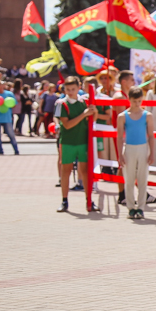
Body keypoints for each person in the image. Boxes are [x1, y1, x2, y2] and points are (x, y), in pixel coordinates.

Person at [54, 76, 97, 213]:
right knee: (65, 170)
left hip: (83, 141)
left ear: (79, 88)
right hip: (68, 142)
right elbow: (66, 124)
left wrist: (93, 112)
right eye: (68, 89)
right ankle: (64, 200)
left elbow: (92, 119)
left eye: (73, 89)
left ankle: (88, 199)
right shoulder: (62, 103)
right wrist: (84, 115)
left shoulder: (84, 101)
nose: (70, 92)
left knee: (84, 171)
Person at [117, 86, 154, 220]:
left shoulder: (147, 115)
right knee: (129, 179)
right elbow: (119, 137)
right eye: (134, 101)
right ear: (129, 100)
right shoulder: (122, 116)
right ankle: (131, 207)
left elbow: (151, 135)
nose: (137, 104)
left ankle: (141, 207)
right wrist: (120, 154)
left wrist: (152, 153)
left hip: (143, 148)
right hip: (129, 148)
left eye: (139, 101)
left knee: (143, 178)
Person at [0, 81, 19, 155]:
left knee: (11, 134)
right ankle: (0, 151)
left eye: (1, 85)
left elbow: (14, 105)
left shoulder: (9, 94)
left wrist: (8, 103)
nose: (0, 87)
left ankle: (16, 150)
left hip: (7, 118)